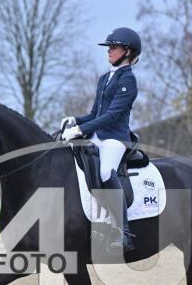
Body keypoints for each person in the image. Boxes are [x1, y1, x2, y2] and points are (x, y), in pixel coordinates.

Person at [60, 27, 141, 253]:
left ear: (127, 52)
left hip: (115, 138)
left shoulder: (128, 80)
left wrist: (80, 130)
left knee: (106, 172)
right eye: (109, 47)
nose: (109, 51)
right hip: (96, 136)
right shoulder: (105, 78)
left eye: (113, 47)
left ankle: (124, 232)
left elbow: (112, 115)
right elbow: (96, 113)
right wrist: (75, 120)